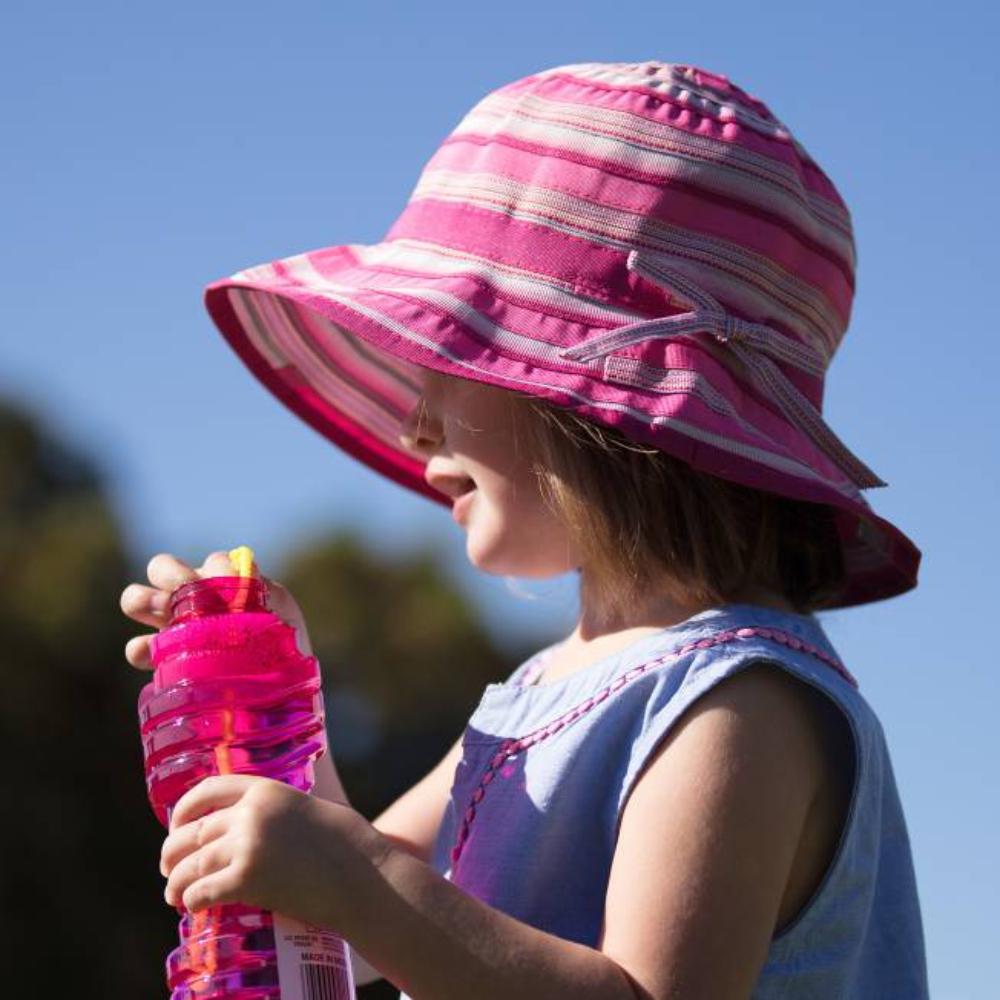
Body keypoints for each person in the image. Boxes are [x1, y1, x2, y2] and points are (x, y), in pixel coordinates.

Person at [120, 60, 929, 998]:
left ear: (596, 407)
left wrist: (354, 878)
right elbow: (355, 930)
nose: (413, 423)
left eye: (449, 359)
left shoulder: (738, 704)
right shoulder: (545, 691)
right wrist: (278, 701)